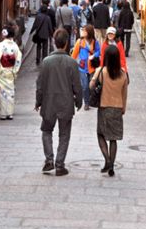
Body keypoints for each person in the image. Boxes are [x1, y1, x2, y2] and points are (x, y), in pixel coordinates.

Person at [35, 29, 82, 176]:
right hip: (66, 103)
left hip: (48, 102)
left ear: (55, 43)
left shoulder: (46, 62)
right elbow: (77, 85)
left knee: (46, 130)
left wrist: (38, 101)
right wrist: (79, 101)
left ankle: (49, 159)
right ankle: (60, 165)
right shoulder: (72, 63)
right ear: (66, 43)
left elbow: (40, 85)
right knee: (64, 134)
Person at [90, 43, 128, 177]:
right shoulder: (123, 74)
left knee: (100, 134)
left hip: (104, 107)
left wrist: (94, 77)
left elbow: (91, 86)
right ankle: (111, 163)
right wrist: (123, 108)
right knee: (113, 138)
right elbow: (124, 93)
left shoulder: (102, 71)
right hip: (117, 108)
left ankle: (107, 160)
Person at [0, 27, 22, 120]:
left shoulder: (1, 45)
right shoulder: (15, 46)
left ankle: (4, 114)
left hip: (2, 71)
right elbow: (18, 58)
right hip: (11, 71)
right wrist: (15, 70)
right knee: (11, 92)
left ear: (4, 34)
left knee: (3, 93)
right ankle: (10, 113)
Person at [71, 24, 101, 110]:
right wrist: (71, 65)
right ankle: (86, 103)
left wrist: (94, 55)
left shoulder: (95, 42)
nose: (83, 32)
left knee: (91, 85)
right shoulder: (80, 42)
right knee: (84, 86)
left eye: (85, 31)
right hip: (82, 67)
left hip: (92, 67)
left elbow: (99, 51)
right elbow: (74, 55)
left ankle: (91, 99)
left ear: (89, 32)